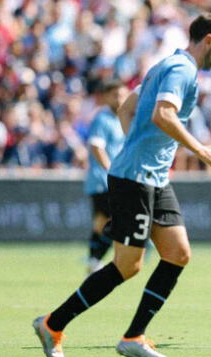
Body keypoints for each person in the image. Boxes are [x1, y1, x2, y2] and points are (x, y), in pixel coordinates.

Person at [32, 13, 211, 357]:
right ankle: (53, 323)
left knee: (178, 253)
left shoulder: (164, 65)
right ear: (209, 41)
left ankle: (134, 337)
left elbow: (126, 108)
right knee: (128, 265)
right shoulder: (181, 70)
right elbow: (162, 115)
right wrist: (198, 148)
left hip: (152, 175)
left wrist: (138, 147)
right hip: (136, 178)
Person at [83, 80, 127, 273]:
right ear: (107, 97)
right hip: (102, 179)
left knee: (102, 221)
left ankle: (94, 260)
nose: (119, 99)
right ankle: (96, 259)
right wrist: (111, 170)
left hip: (116, 179)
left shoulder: (124, 119)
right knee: (115, 220)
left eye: (122, 94)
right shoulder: (102, 119)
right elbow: (96, 147)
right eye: (115, 95)